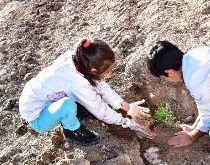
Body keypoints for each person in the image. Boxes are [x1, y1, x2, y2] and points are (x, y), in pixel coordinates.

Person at [19, 39, 156, 145]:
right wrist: (128, 123)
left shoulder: (79, 60)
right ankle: (72, 130)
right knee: (68, 105)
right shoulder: (77, 83)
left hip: (39, 97)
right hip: (37, 117)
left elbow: (101, 86)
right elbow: (102, 112)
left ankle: (70, 113)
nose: (110, 74)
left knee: (82, 101)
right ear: (93, 71)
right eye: (108, 71)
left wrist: (127, 106)